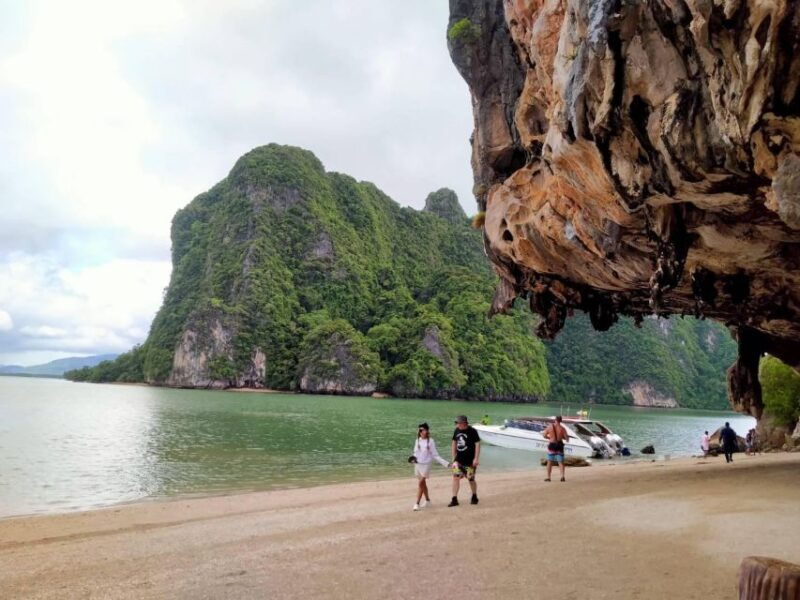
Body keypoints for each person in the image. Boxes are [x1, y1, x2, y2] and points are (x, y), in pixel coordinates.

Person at [410, 423, 450, 511]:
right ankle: (428, 501)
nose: (421, 432)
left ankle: (417, 503)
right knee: (423, 484)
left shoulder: (430, 441)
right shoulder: (417, 440)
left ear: (427, 431)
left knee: (420, 483)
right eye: (420, 430)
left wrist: (446, 463)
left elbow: (435, 455)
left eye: (423, 430)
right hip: (418, 464)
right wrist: (413, 459)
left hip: (426, 465)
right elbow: (415, 453)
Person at [449, 415, 480, 507]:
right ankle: (454, 499)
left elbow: (477, 444)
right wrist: (454, 458)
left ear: (464, 423)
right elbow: (454, 443)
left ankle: (474, 496)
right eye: (457, 423)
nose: (457, 425)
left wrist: (476, 458)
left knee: (470, 479)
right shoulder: (457, 430)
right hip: (458, 461)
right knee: (455, 478)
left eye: (458, 423)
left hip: (470, 462)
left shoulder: (472, 431)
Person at [543, 415, 569, 482]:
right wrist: (562, 437)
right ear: (561, 421)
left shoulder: (549, 427)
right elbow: (567, 439)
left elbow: (544, 435)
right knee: (561, 462)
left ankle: (548, 477)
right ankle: (562, 476)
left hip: (552, 445)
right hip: (559, 445)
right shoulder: (562, 428)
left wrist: (550, 438)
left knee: (549, 462)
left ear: (555, 420)